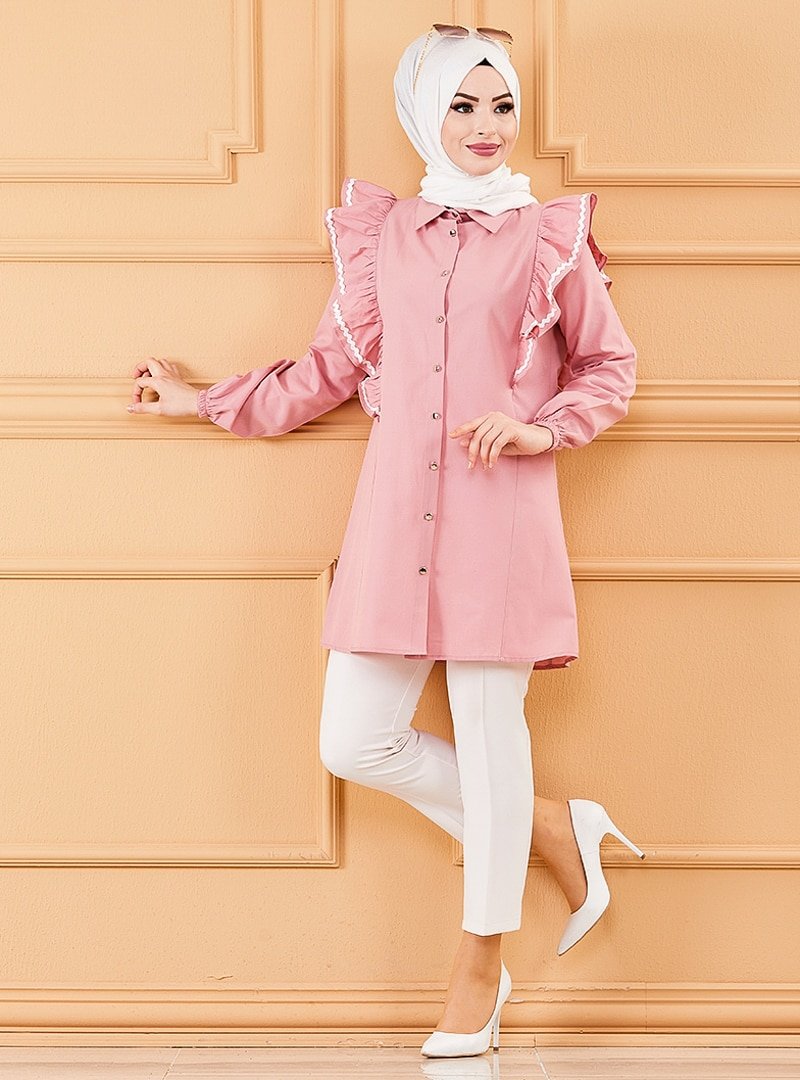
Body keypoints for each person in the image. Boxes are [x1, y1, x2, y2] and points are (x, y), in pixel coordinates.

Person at [128, 23, 645, 1060]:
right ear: (422, 112)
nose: (487, 126)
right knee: (353, 740)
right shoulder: (383, 238)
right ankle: (553, 827)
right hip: (393, 512)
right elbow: (329, 368)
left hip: (501, 515)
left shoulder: (546, 237)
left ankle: (479, 968)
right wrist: (205, 402)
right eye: (462, 105)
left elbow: (608, 367)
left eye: (501, 105)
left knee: (493, 738)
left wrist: (541, 427)